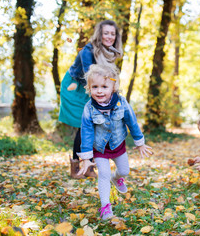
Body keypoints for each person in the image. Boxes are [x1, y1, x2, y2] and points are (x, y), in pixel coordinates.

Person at [76, 64, 153, 220]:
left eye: (104, 86)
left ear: (113, 86)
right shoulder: (89, 108)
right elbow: (86, 132)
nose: (99, 91)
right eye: (95, 87)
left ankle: (116, 178)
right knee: (103, 174)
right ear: (89, 88)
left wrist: (140, 142)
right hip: (99, 148)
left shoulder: (122, 103)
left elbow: (132, 121)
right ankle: (105, 207)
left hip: (118, 145)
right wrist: (86, 158)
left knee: (124, 170)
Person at [58, 20, 123, 179]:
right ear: (99, 34)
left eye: (112, 34)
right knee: (85, 125)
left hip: (95, 86)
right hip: (77, 87)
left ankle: (88, 166)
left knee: (95, 125)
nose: (109, 36)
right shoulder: (88, 51)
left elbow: (108, 75)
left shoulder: (109, 51)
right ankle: (75, 168)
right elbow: (91, 76)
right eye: (105, 33)